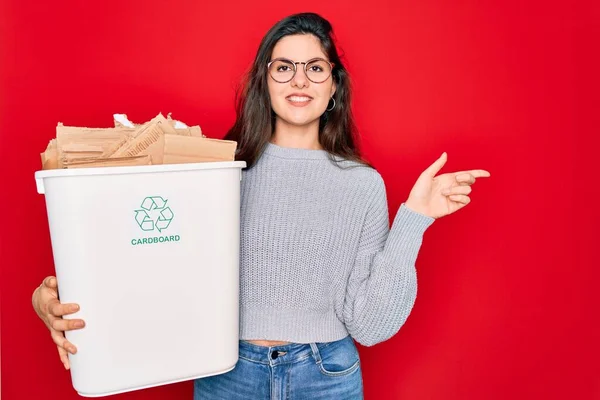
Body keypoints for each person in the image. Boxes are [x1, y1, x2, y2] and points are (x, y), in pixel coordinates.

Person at [32, 12, 490, 399]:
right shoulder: (214, 170)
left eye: (315, 68)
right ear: (264, 82)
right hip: (226, 371)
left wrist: (415, 219)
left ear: (334, 86)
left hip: (326, 376)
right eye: (283, 67)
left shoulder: (363, 185)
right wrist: (52, 296)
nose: (299, 79)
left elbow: (370, 325)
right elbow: (144, 254)